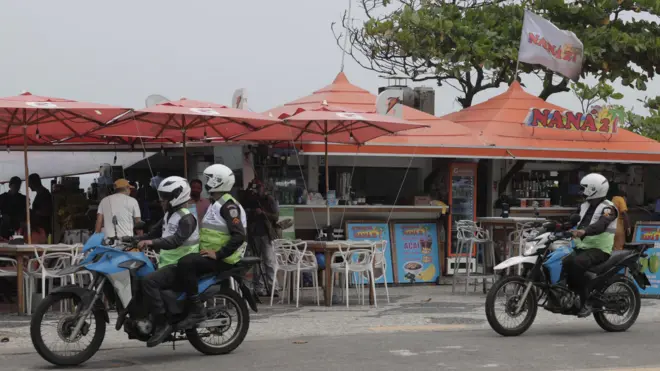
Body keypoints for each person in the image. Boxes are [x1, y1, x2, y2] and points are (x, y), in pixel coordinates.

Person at [172, 164, 247, 331]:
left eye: (208, 179)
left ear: (217, 181)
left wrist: (219, 254)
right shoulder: (217, 203)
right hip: (210, 254)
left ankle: (196, 309)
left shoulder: (228, 206)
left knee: (186, 263)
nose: (206, 183)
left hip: (225, 258)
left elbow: (239, 235)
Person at [138, 176, 200, 347]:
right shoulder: (168, 215)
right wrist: (128, 239)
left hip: (180, 266)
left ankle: (162, 322)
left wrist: (151, 243)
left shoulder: (187, 218)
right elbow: (152, 233)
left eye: (165, 196)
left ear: (177, 196)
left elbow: (176, 241)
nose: (161, 200)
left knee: (148, 281)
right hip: (166, 264)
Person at [565, 173, 618, 318]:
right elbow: (571, 222)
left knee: (577, 263)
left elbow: (601, 225)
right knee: (563, 260)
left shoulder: (609, 208)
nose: (582, 191)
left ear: (595, 189)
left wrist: (584, 231)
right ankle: (568, 295)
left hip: (600, 249)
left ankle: (585, 300)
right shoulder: (583, 206)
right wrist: (556, 227)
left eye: (585, 188)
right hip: (581, 247)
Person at [242, 179, 279, 296]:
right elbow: (243, 205)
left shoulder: (269, 200)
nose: (257, 190)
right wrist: (249, 188)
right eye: (256, 188)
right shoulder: (252, 199)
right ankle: (259, 287)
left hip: (266, 233)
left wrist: (263, 213)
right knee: (256, 262)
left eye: (259, 187)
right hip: (254, 233)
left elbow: (276, 216)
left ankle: (273, 287)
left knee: (268, 260)